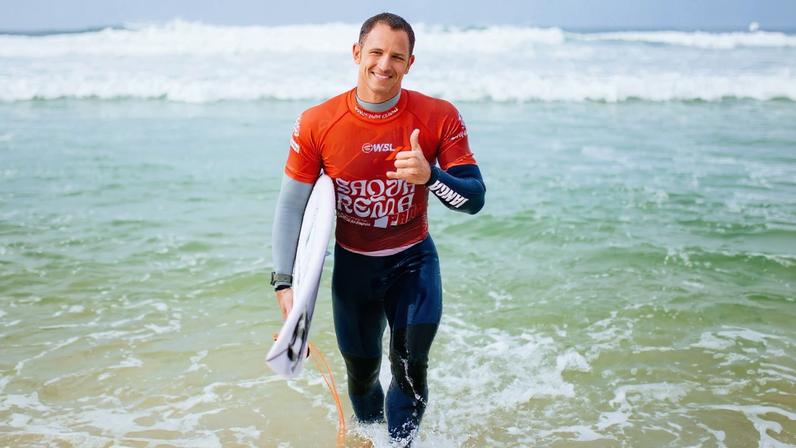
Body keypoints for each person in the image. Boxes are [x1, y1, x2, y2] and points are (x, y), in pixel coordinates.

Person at [270, 12, 486, 445]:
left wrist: (431, 177)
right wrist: (284, 282)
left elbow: (475, 199)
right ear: (357, 53)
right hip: (354, 271)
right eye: (376, 52)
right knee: (364, 374)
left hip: (413, 264)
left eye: (397, 56)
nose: (384, 65)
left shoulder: (438, 116)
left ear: (410, 63)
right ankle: (372, 437)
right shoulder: (318, 122)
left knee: (409, 366)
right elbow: (292, 207)